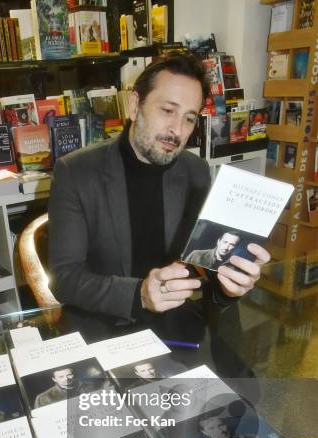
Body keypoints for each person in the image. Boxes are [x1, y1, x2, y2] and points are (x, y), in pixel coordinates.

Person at [48, 54, 270, 342]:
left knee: (241, 384)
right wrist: (138, 294)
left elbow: (203, 263)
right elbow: (64, 278)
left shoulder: (196, 172)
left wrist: (229, 287)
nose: (177, 131)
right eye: (167, 110)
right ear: (133, 105)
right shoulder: (75, 171)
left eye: (189, 118)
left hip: (176, 327)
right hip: (105, 330)